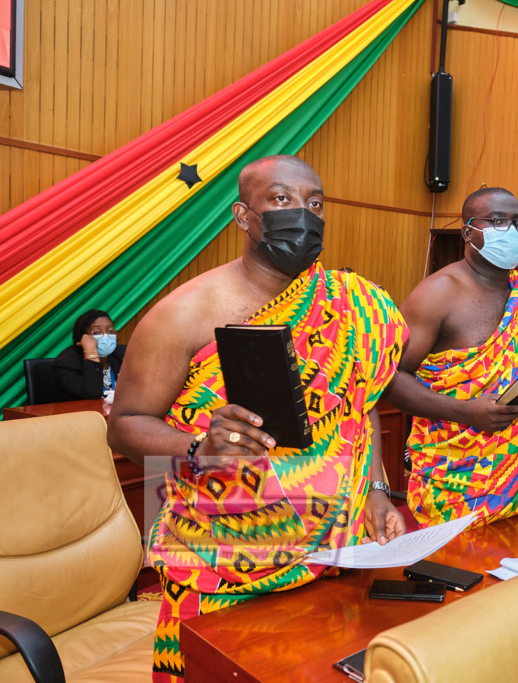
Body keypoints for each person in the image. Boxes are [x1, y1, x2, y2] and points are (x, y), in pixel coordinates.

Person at [106, 156, 408, 683]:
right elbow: (126, 424)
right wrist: (200, 447)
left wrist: (377, 491)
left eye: (315, 203)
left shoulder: (351, 303)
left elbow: (362, 410)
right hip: (219, 562)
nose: (304, 214)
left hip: (329, 551)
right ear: (243, 216)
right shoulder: (185, 313)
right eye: (282, 200)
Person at [383, 187, 518, 529]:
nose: (511, 232)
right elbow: (389, 379)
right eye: (498, 221)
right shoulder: (438, 293)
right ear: (468, 231)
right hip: (461, 479)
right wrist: (465, 411)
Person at [51, 309, 126, 401]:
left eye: (110, 331)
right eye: (97, 332)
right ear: (82, 337)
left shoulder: (123, 354)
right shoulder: (66, 363)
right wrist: (91, 353)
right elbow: (91, 393)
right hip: (84, 414)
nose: (106, 336)